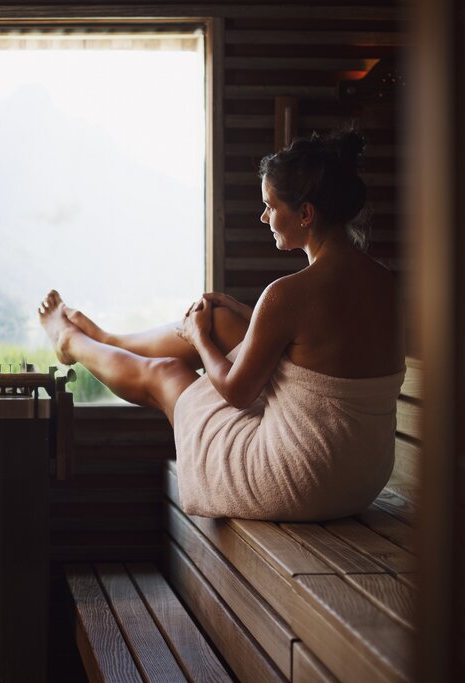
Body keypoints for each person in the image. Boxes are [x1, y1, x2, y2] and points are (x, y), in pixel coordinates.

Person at [38, 130, 405, 521]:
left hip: (305, 478)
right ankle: (106, 338)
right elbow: (323, 345)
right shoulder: (383, 281)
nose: (264, 217)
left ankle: (72, 340)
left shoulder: (289, 294)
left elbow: (236, 392)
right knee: (219, 317)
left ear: (306, 214)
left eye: (270, 205)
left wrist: (198, 337)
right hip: (362, 476)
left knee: (165, 373)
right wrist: (248, 315)